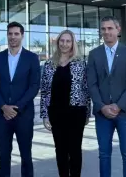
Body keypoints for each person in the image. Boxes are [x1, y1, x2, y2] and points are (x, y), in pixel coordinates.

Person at [87, 16, 126, 177]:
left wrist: (118, 106)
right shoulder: (94, 54)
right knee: (104, 155)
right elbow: (92, 84)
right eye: (103, 29)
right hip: (102, 114)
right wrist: (102, 106)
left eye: (110, 28)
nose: (106, 32)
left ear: (118, 30)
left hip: (125, 113)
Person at [0, 21, 41, 177]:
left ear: (22, 36)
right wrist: (3, 106)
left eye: (16, 34)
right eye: (10, 34)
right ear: (7, 35)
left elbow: (34, 86)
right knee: (4, 156)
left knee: (26, 155)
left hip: (23, 115)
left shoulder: (32, 58)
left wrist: (17, 107)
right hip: (2, 115)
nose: (13, 37)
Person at [40, 30, 91, 177]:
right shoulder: (49, 64)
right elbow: (44, 91)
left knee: (74, 150)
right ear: (58, 43)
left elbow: (86, 89)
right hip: (56, 113)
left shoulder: (80, 63)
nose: (64, 44)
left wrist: (87, 113)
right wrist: (44, 115)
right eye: (62, 41)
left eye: (68, 41)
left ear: (72, 43)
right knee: (60, 150)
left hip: (76, 112)